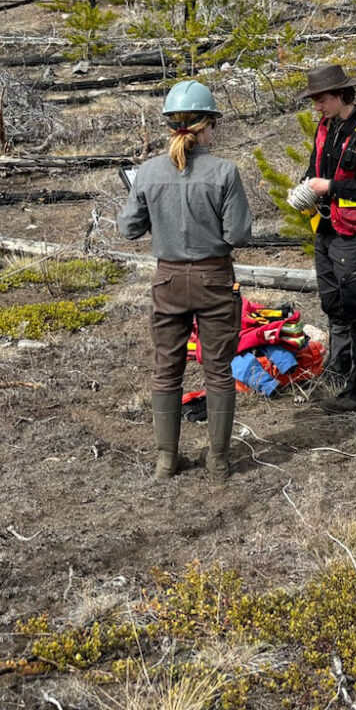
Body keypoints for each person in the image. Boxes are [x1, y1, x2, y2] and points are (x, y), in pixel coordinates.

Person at [119, 80, 253, 479]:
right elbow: (238, 235)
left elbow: (129, 228)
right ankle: (218, 459)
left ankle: (166, 458)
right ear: (207, 125)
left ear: (169, 125)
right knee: (218, 370)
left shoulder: (148, 171)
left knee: (167, 369)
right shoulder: (225, 171)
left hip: (168, 282)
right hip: (214, 279)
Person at [287, 63, 356, 414]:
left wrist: (330, 187)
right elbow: (314, 169)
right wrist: (307, 188)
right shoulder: (325, 127)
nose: (316, 107)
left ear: (340, 95)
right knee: (333, 302)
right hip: (326, 229)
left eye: (320, 100)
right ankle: (338, 370)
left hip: (353, 234)